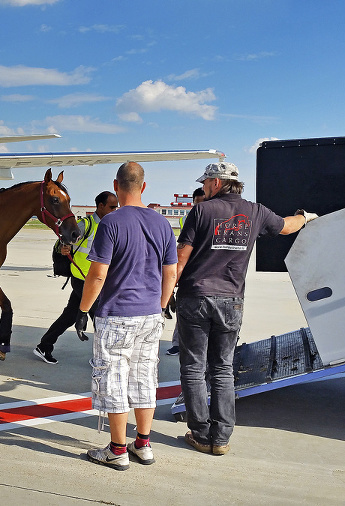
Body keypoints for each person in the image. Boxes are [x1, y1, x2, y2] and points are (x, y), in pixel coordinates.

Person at [175, 162, 317, 456]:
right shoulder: (256, 211)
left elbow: (180, 259)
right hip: (231, 301)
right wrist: (304, 218)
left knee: (193, 368)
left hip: (196, 297)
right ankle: (222, 438)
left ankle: (201, 434)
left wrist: (164, 296)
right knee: (223, 368)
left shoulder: (201, 211)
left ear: (216, 183)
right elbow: (286, 226)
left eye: (205, 183)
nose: (203, 187)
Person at [75, 162, 178, 471]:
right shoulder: (163, 224)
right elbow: (170, 272)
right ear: (143, 187)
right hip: (149, 314)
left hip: (117, 314)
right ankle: (143, 444)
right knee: (145, 376)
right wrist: (159, 305)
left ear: (116, 186)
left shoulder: (111, 223)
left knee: (114, 379)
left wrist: (82, 311)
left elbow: (96, 276)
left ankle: (117, 449)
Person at [33, 191, 118, 365]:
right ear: (100, 206)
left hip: (96, 280)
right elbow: (64, 239)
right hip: (82, 279)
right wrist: (64, 248)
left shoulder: (109, 225)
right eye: (112, 207)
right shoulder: (85, 224)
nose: (115, 210)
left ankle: (44, 346)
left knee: (70, 315)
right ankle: (103, 357)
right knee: (100, 317)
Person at [166, 187, 205, 356]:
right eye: (196, 204)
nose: (198, 207)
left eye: (202, 203)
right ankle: (177, 343)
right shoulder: (187, 219)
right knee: (183, 310)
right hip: (189, 270)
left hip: (206, 271)